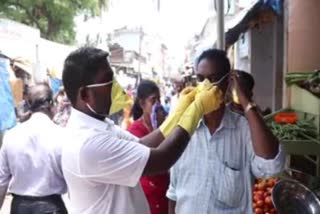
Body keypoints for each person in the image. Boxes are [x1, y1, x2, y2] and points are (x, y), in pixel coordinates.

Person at [60, 47, 222, 214]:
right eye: (108, 81)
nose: (116, 87)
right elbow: (162, 159)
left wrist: (178, 114)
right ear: (85, 94)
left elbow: (143, 144)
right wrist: (196, 110)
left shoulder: (101, 126)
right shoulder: (87, 143)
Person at [167, 49, 285, 214]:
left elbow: (272, 166)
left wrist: (246, 101)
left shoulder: (244, 130)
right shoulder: (184, 131)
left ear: (228, 82)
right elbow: (174, 193)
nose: (205, 86)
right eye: (201, 79)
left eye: (214, 79)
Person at [0, 83, 68, 214]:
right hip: (52, 207)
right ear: (51, 105)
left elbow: (1, 181)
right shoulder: (61, 135)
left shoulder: (11, 135)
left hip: (19, 208)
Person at [128, 80, 169, 214]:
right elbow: (150, 158)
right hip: (147, 192)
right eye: (153, 100)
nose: (157, 105)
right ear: (142, 104)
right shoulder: (135, 130)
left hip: (165, 189)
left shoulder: (164, 124)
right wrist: (161, 131)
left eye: (159, 100)